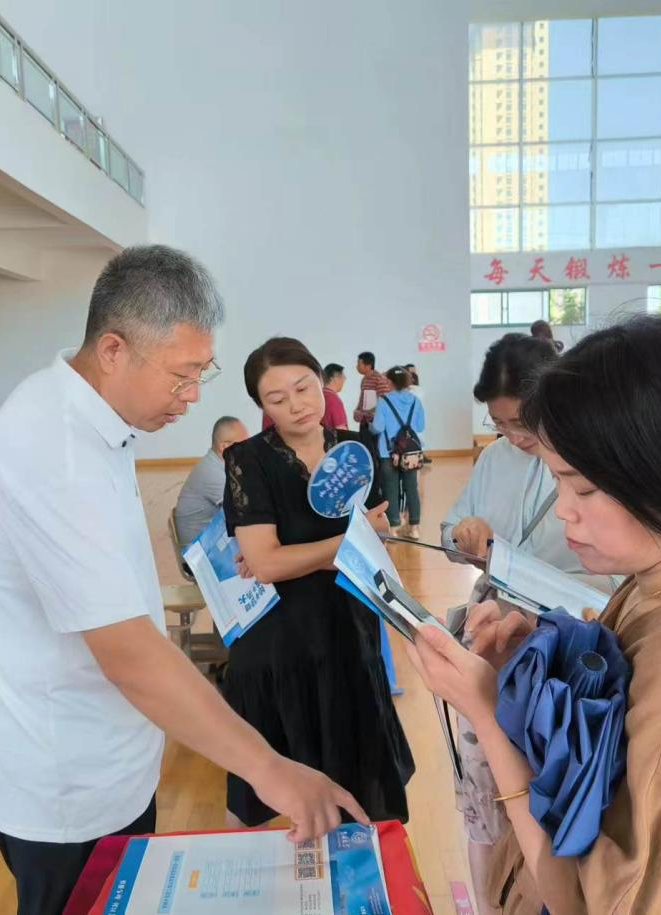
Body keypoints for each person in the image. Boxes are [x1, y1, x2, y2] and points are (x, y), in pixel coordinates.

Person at [0, 247, 367, 915]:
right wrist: (268, 767)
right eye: (182, 375)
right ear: (113, 350)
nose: (194, 395)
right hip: (67, 783)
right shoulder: (53, 448)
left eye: (202, 372)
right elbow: (129, 655)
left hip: (113, 756)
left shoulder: (93, 421)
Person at [410, 315, 661, 914]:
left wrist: (488, 710)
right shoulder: (642, 582)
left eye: (582, 488)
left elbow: (587, 899)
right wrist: (545, 655)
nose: (565, 511)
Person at [440, 333, 618, 915]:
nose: (514, 437)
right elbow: (450, 531)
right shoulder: (496, 459)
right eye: (499, 424)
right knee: (483, 785)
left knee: (542, 783)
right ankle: (490, 898)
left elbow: (613, 583)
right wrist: (462, 536)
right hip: (496, 629)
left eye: (522, 423)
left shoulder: (589, 457)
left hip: (563, 642)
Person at [222, 336, 415, 830]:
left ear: (320, 383)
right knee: (280, 790)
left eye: (304, 388)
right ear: (262, 406)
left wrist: (357, 542)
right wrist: (344, 546)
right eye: (277, 398)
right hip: (281, 643)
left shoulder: (357, 448)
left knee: (360, 787)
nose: (296, 405)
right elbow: (266, 565)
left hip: (349, 630)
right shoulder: (248, 460)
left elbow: (376, 537)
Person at [175, 416, 249, 545]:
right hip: (199, 551)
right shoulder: (212, 472)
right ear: (225, 447)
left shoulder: (218, 464)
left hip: (210, 541)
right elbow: (245, 512)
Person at [370, 366, 425, 540]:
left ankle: (393, 527)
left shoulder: (383, 401)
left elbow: (378, 427)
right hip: (411, 452)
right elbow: (421, 426)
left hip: (388, 452)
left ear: (390, 382)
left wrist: (370, 426)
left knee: (390, 489)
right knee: (412, 488)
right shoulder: (416, 401)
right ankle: (414, 527)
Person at [353, 351, 390, 443]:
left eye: (359, 364)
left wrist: (367, 413)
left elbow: (384, 402)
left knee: (373, 448)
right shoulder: (364, 379)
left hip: (375, 423)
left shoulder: (379, 379)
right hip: (364, 422)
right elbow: (362, 399)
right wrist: (357, 411)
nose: (357, 366)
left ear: (368, 366)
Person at [321, 363, 349, 430]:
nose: (344, 380)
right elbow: (341, 430)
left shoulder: (319, 396)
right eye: (343, 377)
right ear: (335, 379)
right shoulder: (334, 400)